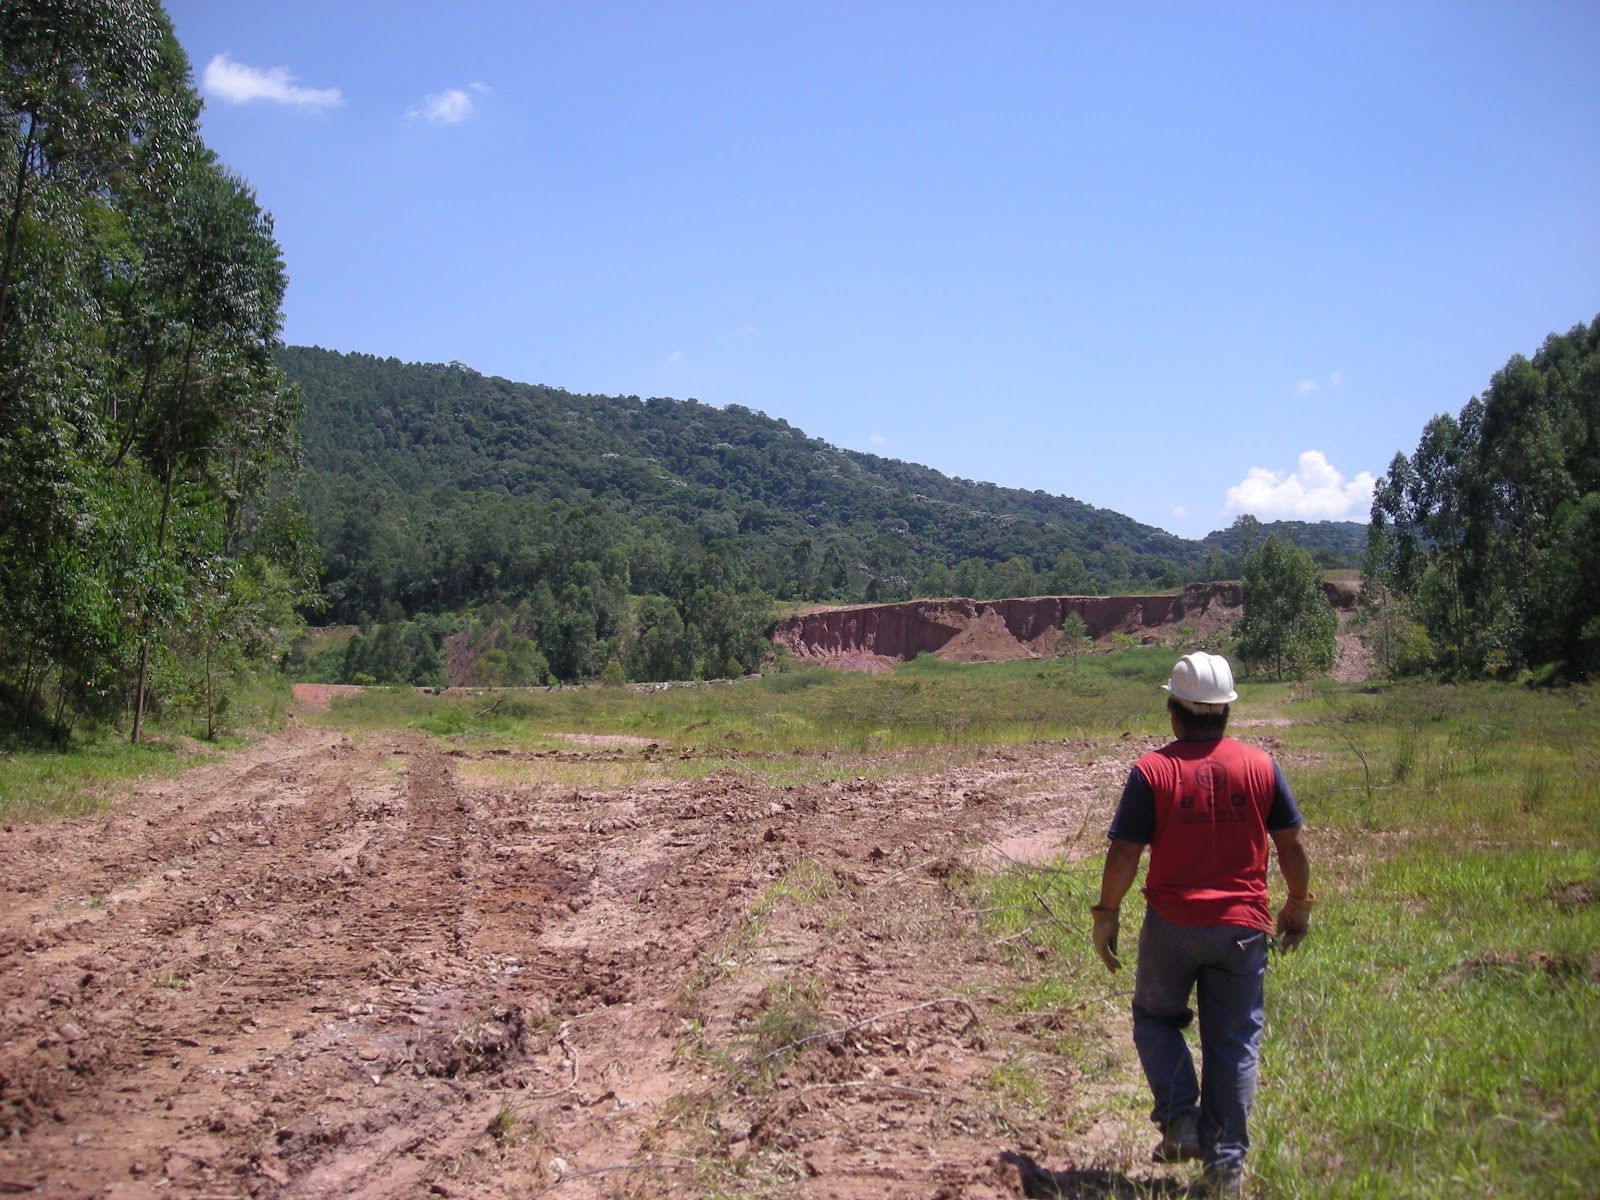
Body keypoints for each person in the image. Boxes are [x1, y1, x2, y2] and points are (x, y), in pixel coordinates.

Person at [1089, 651, 1313, 1197]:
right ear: (1225, 713)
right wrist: (1298, 904)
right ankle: (1225, 1172)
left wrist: (1107, 913)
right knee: (1234, 1045)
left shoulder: (1153, 770)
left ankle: (1179, 1118)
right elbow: (1292, 846)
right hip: (1243, 928)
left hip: (1172, 925)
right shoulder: (1260, 766)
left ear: (1174, 713)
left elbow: (1124, 853)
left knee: (1154, 1019)